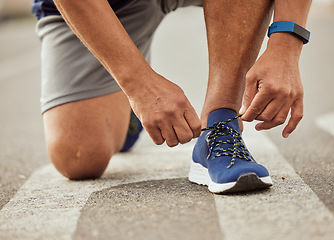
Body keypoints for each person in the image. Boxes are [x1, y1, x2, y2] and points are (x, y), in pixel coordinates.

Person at [32, 0, 311, 194]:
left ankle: (220, 126)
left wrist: (287, 44)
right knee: (79, 157)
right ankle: (127, 109)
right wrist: (138, 86)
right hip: (108, 5)